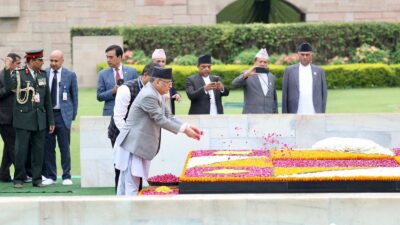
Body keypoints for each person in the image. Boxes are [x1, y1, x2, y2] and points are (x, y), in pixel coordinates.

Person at [113, 66, 202, 196]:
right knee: (130, 184)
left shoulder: (157, 93)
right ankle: (128, 214)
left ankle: (124, 212)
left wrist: (186, 126)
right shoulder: (148, 94)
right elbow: (160, 119)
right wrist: (184, 130)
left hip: (137, 144)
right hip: (132, 144)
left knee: (129, 183)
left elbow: (169, 116)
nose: (170, 87)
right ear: (158, 82)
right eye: (168, 83)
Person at [4, 49, 55, 188]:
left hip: (39, 119)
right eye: (40, 60)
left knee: (39, 151)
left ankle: (37, 179)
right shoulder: (19, 74)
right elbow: (9, 87)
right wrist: (7, 70)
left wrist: (50, 120)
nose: (42, 62)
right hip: (23, 118)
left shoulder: (42, 74)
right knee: (21, 151)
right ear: (32, 61)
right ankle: (18, 179)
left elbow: (47, 100)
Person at [108, 63, 155, 192]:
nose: (155, 83)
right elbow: (118, 118)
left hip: (139, 137)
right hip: (120, 133)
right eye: (153, 80)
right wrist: (132, 136)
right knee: (122, 170)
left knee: (135, 173)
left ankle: (133, 201)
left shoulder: (152, 90)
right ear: (145, 75)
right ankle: (122, 201)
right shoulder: (126, 89)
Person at [42, 50, 78, 186]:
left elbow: (75, 97)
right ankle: (51, 176)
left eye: (56, 61)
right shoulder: (43, 74)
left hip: (63, 116)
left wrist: (71, 117)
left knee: (64, 147)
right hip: (47, 116)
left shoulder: (70, 75)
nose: (53, 63)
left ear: (62, 61)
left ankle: (66, 176)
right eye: (51, 60)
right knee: (48, 147)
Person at [282, 42, 328, 114]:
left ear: (311, 55)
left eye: (307, 55)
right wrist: (285, 115)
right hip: (295, 113)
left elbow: (324, 94)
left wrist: (322, 113)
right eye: (302, 54)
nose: (305, 57)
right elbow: (285, 95)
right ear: (298, 55)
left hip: (314, 112)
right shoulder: (289, 71)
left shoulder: (319, 71)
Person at [232, 48, 278, 114]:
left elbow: (274, 99)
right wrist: (246, 75)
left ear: (267, 63)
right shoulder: (247, 74)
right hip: (251, 115)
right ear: (255, 62)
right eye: (260, 61)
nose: (262, 64)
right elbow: (234, 84)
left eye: (265, 62)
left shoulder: (272, 76)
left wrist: (275, 114)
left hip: (268, 115)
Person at [97, 45, 138, 116]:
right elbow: (99, 96)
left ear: (119, 57)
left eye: (111, 57)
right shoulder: (102, 74)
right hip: (110, 113)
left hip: (129, 113)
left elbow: (138, 92)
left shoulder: (132, 72)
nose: (108, 60)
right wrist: (113, 91)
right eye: (107, 57)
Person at [0, 53, 21, 182]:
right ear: (11, 63)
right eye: (17, 63)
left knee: (8, 147)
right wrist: (8, 89)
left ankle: (3, 174)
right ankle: (21, 174)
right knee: (13, 147)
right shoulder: (1, 75)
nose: (20, 65)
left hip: (16, 118)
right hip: (3, 119)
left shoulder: (17, 75)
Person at [151, 49, 181, 114]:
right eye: (158, 61)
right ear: (153, 61)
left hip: (169, 107)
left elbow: (172, 89)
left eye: (163, 61)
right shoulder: (150, 75)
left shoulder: (168, 74)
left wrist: (177, 94)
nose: (161, 63)